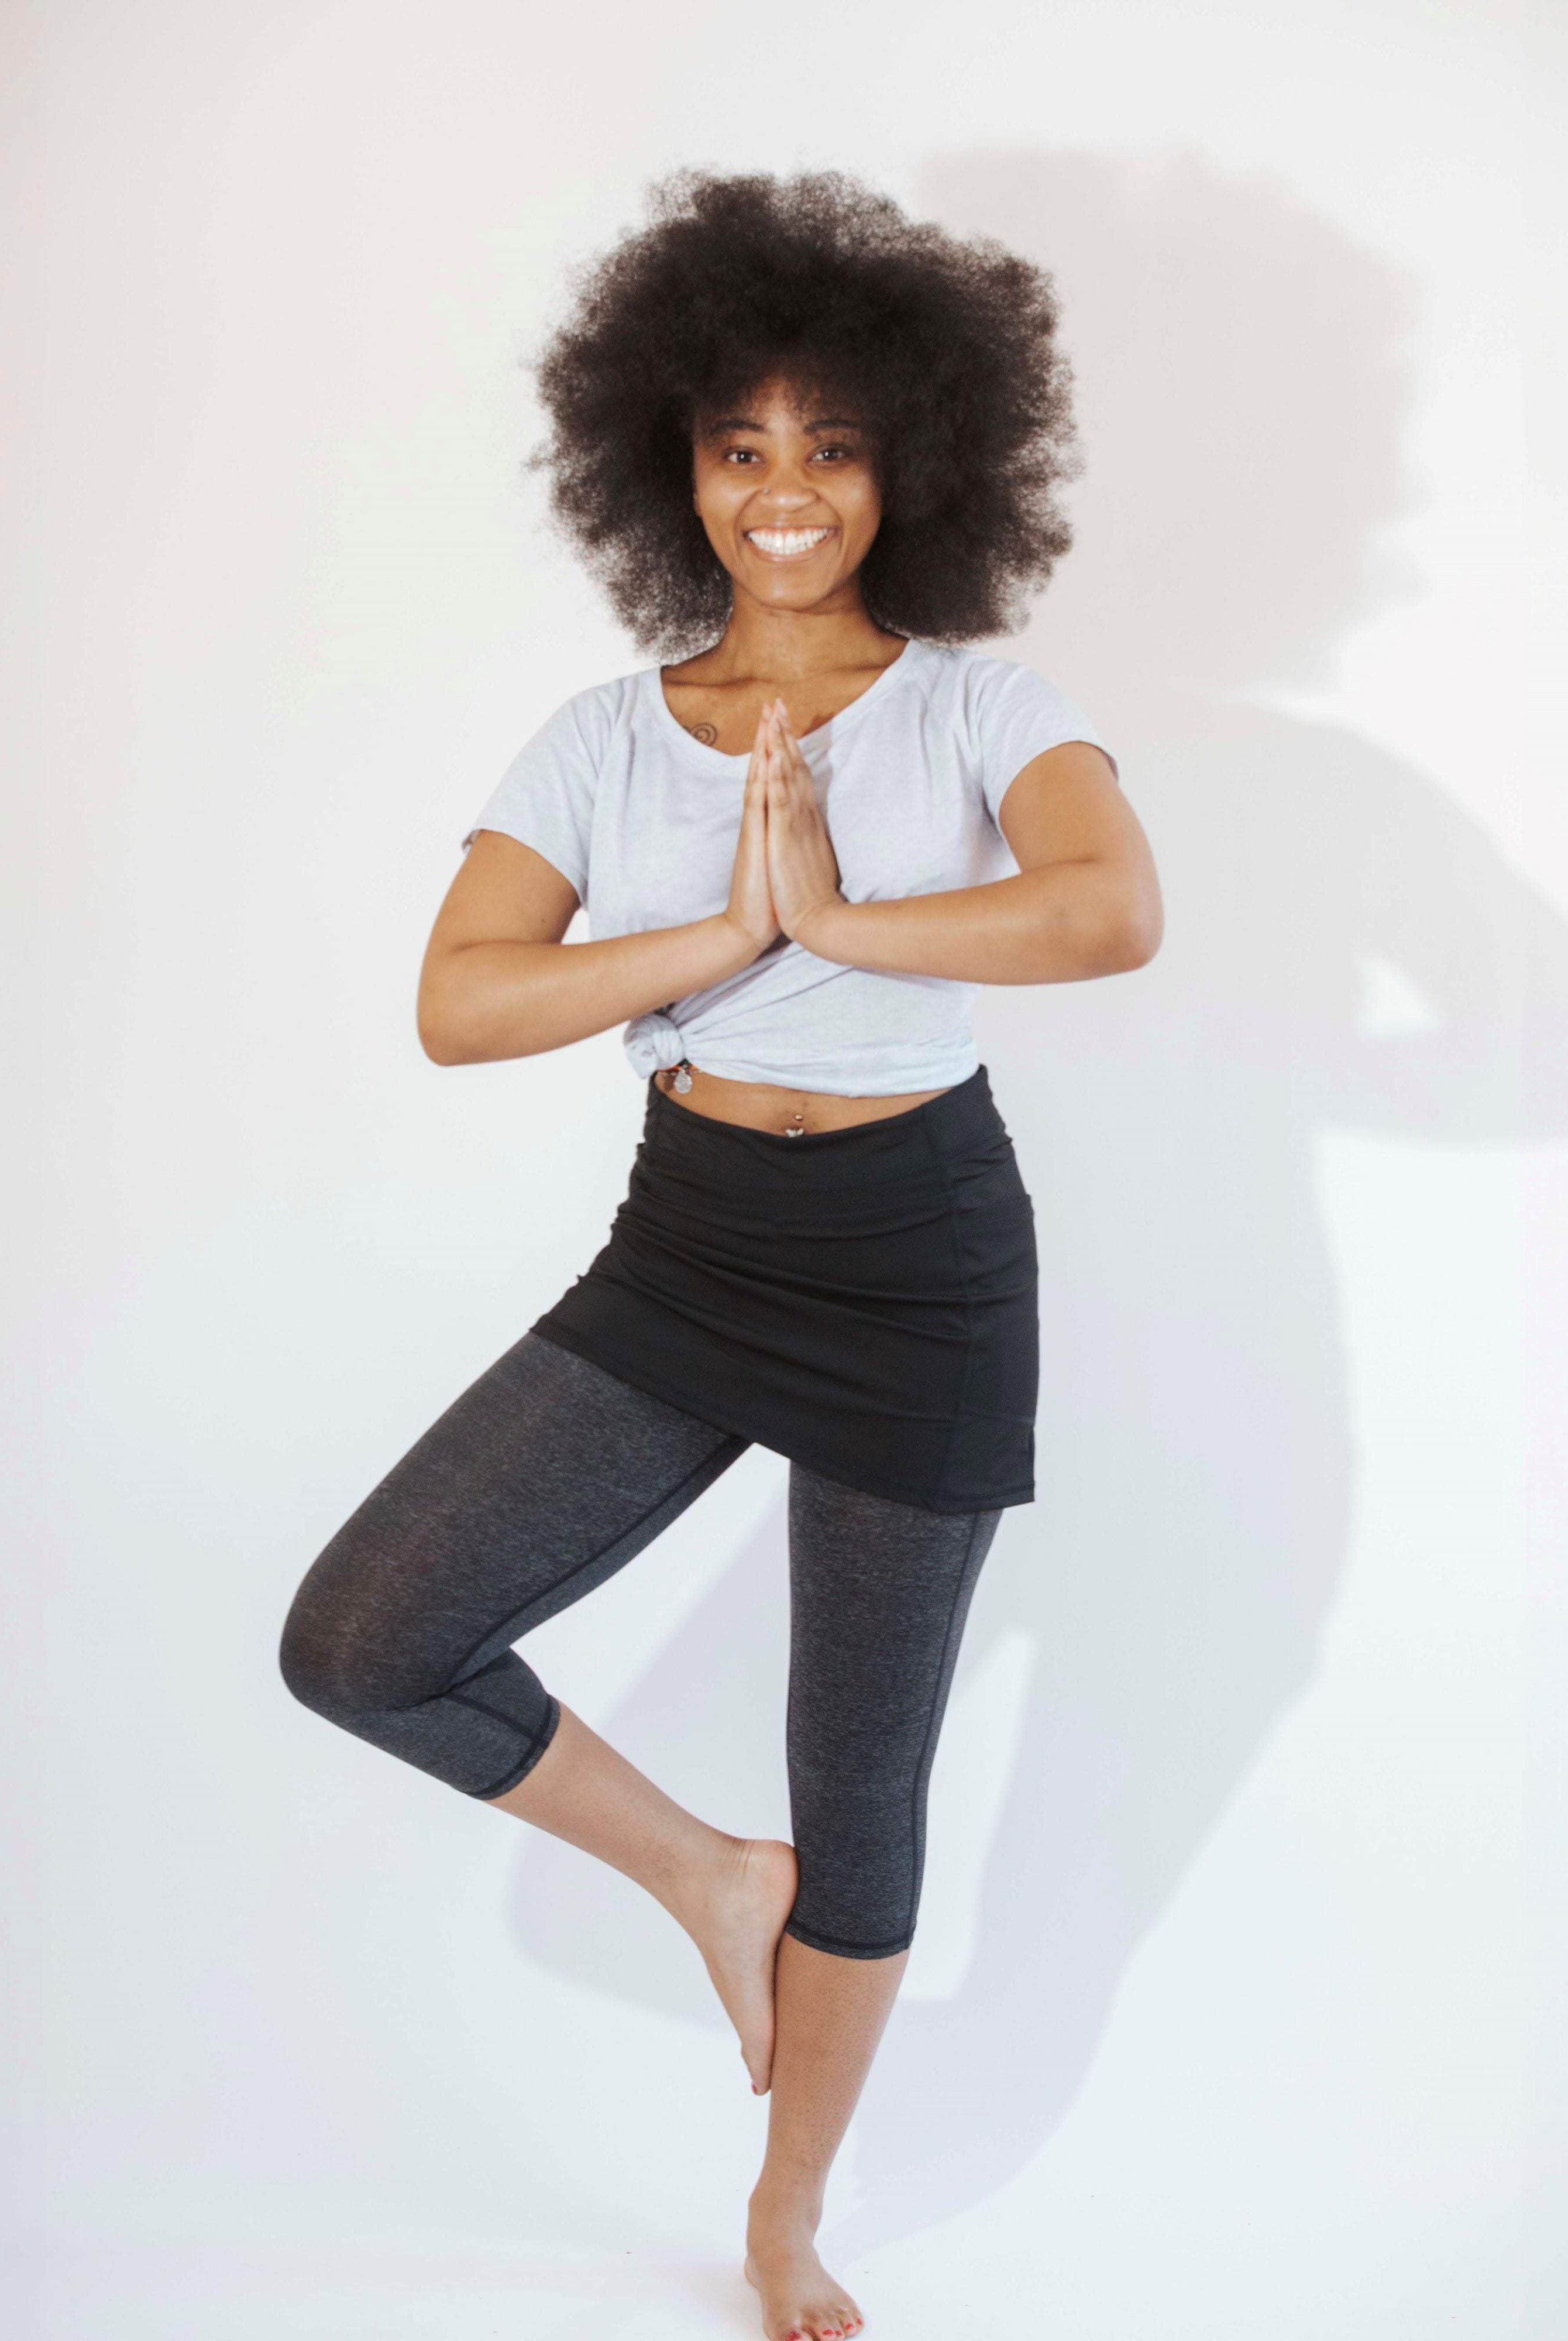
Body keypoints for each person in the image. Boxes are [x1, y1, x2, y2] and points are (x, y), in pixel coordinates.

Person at [280, 167, 1162, 2341]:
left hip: (921, 1261)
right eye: (741, 445)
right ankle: (697, 1878)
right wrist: (726, 931)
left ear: (912, 471)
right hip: (688, 1253)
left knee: (862, 1789)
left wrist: (845, 918)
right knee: (365, 1639)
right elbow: (460, 997)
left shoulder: (980, 707)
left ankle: (784, 2215)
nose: (784, 493)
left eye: (833, 447)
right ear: (667, 462)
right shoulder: (600, 738)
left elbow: (1109, 908)